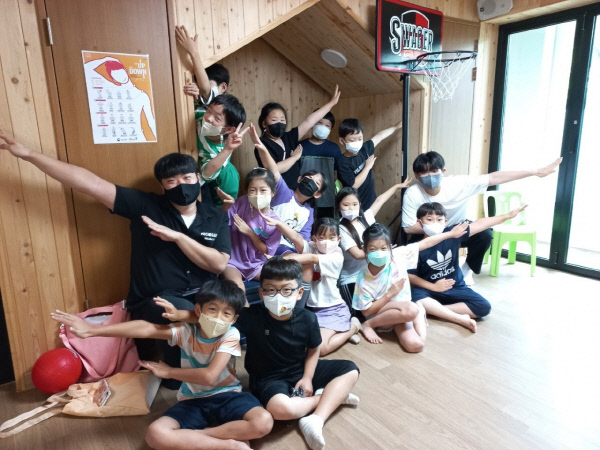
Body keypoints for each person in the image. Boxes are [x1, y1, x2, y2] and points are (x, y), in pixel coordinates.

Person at [0, 129, 230, 376]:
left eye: (186, 178)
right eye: (171, 181)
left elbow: (218, 264)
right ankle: (181, 376)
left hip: (203, 293)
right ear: (162, 185)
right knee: (183, 312)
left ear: (197, 177)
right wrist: (28, 154)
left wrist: (179, 238)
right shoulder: (146, 206)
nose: (180, 185)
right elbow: (91, 184)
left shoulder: (215, 217)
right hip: (156, 299)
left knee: (223, 310)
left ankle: (212, 373)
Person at [51, 281, 273, 450]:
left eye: (226, 313)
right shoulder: (186, 331)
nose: (218, 318)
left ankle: (201, 437)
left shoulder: (230, 335)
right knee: (155, 434)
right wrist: (92, 330)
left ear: (233, 319)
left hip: (228, 395)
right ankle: (228, 445)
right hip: (192, 400)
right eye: (212, 310)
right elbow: (147, 329)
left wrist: (169, 372)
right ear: (198, 311)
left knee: (263, 422)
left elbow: (209, 376)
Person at [237, 257, 360, 450]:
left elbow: (314, 349)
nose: (279, 295)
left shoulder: (308, 318)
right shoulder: (251, 316)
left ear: (299, 293)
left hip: (300, 369)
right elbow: (216, 316)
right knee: (280, 409)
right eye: (271, 290)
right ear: (261, 293)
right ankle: (330, 397)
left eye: (287, 290)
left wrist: (307, 378)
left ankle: (316, 419)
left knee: (350, 370)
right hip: (268, 378)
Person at [401, 151, 562, 285]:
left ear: (443, 172)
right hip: (428, 231)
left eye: (434, 171)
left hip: (459, 227)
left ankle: (467, 269)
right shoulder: (413, 193)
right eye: (424, 173)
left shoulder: (460, 183)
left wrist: (534, 172)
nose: (429, 176)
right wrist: (437, 231)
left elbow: (495, 177)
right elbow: (408, 227)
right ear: (417, 175)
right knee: (410, 250)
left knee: (485, 235)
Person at [407, 202, 527, 331]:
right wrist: (433, 287)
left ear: (445, 221)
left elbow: (481, 224)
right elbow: (410, 276)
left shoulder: (453, 234)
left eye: (439, 220)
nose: (435, 223)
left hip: (455, 287)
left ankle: (434, 310)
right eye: (429, 220)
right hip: (429, 290)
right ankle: (457, 317)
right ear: (420, 223)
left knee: (483, 307)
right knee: (413, 296)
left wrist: (507, 216)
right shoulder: (414, 247)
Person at [352, 222, 468, 350]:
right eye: (373, 249)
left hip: (403, 313)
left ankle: (419, 310)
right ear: (364, 250)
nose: (379, 253)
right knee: (411, 309)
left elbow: (426, 243)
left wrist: (450, 234)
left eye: (383, 248)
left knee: (416, 345)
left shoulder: (398, 255)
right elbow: (366, 311)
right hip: (381, 317)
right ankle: (368, 325)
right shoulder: (363, 277)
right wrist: (389, 294)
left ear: (390, 247)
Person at [279, 218, 362, 354]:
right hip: (311, 310)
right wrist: (278, 223)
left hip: (332, 310)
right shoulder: (312, 247)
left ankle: (353, 327)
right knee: (298, 342)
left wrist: (278, 260)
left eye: (332, 237)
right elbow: (296, 237)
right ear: (315, 238)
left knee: (320, 349)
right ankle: (340, 331)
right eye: (322, 237)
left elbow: (311, 258)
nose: (327, 242)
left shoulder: (336, 256)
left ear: (338, 239)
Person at [250, 124, 327, 257]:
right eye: (309, 177)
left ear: (317, 194)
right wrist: (261, 147)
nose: (311, 182)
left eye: (316, 182)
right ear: (299, 179)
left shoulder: (309, 212)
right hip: (268, 240)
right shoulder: (284, 192)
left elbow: (303, 240)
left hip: (288, 248)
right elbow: (273, 170)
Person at [336, 180, 411, 314]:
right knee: (360, 315)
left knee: (387, 308)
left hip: (372, 276)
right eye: (346, 205)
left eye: (354, 204)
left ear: (360, 205)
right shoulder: (341, 228)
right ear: (339, 207)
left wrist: (396, 186)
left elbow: (379, 200)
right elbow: (357, 254)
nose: (351, 208)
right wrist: (382, 251)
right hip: (352, 278)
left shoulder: (366, 218)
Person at [254, 85, 341, 190]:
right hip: (277, 193)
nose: (279, 123)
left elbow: (310, 121)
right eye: (274, 120)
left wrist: (331, 103)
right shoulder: (262, 145)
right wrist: (294, 158)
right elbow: (274, 170)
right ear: (264, 123)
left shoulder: (288, 137)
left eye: (282, 120)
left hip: (296, 192)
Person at [220, 167, 282, 292]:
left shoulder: (274, 221)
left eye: (263, 190)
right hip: (232, 262)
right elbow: (220, 222)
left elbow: (268, 252)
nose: (258, 195)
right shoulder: (240, 204)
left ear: (272, 192)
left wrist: (250, 233)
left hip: (256, 265)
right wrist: (226, 205)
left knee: (280, 283)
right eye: (252, 190)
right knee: (238, 289)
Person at [336, 119, 403, 210]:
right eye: (352, 140)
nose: (357, 142)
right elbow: (354, 185)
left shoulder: (364, 149)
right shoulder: (342, 162)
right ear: (342, 141)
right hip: (353, 206)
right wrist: (367, 167)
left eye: (360, 139)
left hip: (370, 201)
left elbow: (380, 136)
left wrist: (396, 127)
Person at [299, 111, 342, 219]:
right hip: (303, 197)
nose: (323, 127)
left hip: (327, 199)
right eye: (319, 122)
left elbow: (336, 174)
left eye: (327, 125)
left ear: (331, 129)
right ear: (312, 123)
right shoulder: (300, 146)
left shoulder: (334, 149)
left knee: (325, 227)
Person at [175, 25, 230, 108]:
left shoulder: (221, 106)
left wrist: (193, 52)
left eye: (208, 83)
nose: (199, 87)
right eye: (198, 84)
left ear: (223, 87)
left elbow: (205, 89)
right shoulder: (200, 101)